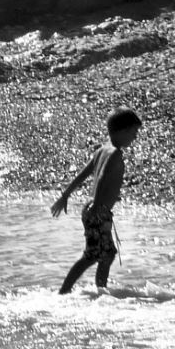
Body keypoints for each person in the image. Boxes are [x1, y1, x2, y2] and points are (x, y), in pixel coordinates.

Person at [49, 106, 142, 294]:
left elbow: (83, 174)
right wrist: (98, 204)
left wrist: (65, 195)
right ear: (122, 131)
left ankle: (101, 290)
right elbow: (101, 177)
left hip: (96, 209)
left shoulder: (102, 149)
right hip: (97, 210)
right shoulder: (114, 152)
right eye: (133, 132)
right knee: (92, 256)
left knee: (106, 254)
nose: (135, 137)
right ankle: (65, 291)